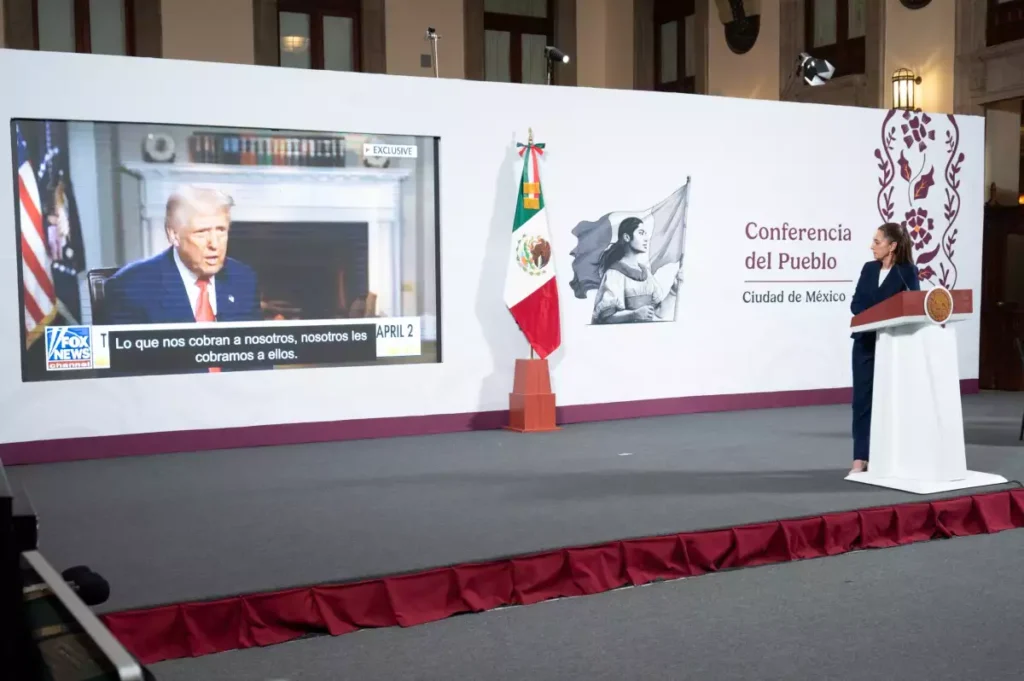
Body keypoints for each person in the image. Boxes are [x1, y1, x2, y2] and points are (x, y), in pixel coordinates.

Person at [103, 186, 261, 324]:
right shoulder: (132, 288)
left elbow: (254, 351)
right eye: (202, 232)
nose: (214, 244)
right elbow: (122, 358)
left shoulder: (243, 279)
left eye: (221, 230)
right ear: (174, 235)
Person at [849, 222, 920, 473]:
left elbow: (913, 308)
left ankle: (890, 456)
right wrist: (877, 314)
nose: (872, 246)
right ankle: (860, 457)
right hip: (865, 344)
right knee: (862, 402)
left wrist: (878, 314)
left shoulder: (907, 272)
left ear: (893, 246)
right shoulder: (868, 269)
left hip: (894, 346)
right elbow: (856, 305)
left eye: (877, 242)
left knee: (891, 403)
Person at [591, 217, 682, 324]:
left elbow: (659, 313)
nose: (646, 238)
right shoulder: (614, 273)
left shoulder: (646, 273)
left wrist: (674, 290)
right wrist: (634, 314)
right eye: (641, 233)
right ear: (626, 237)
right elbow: (606, 318)